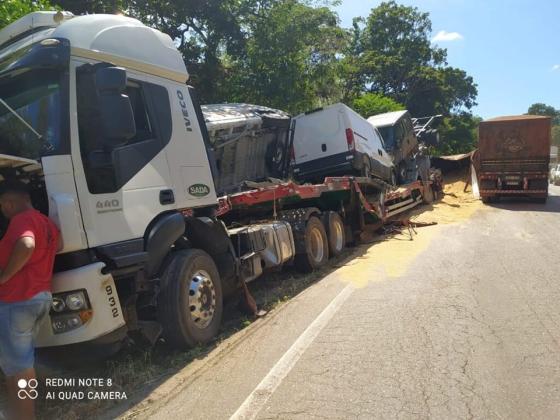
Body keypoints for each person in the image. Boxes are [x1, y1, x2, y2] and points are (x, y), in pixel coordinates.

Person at [0, 181, 60, 420]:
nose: (3, 211)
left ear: (10, 203)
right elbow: (60, 245)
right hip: (40, 297)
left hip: (17, 300)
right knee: (19, 364)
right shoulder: (46, 222)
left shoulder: (22, 219)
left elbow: (26, 244)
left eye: (2, 206)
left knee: (19, 369)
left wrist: (4, 276)